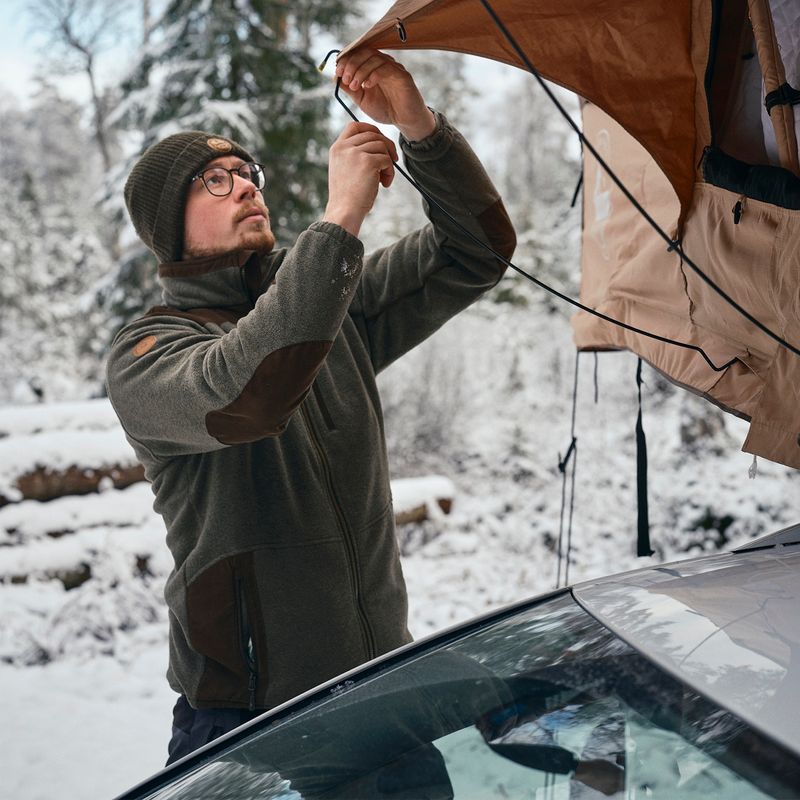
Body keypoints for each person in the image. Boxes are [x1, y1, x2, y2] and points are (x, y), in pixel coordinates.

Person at [106, 47, 516, 766]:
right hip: (248, 719)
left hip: (383, 686)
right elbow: (245, 396)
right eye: (215, 179)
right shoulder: (146, 355)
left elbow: (478, 249)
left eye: (247, 173)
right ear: (168, 224)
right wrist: (342, 217)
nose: (244, 187)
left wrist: (418, 128)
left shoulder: (328, 308)